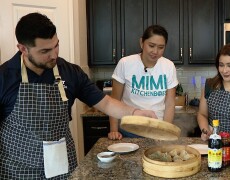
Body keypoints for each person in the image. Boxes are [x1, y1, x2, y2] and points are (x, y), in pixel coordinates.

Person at [0, 12, 157, 179]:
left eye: (56, 45)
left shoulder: (70, 72)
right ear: (23, 49)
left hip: (61, 168)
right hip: (18, 171)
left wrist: (135, 113)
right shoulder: (4, 78)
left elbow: (106, 103)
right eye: (45, 50)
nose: (54, 55)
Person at [108, 25, 179, 140]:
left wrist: (165, 132)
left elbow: (170, 103)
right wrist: (114, 130)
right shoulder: (125, 63)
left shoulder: (168, 66)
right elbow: (114, 100)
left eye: (161, 47)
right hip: (128, 129)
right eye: (151, 46)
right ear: (142, 43)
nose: (155, 51)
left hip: (157, 129)